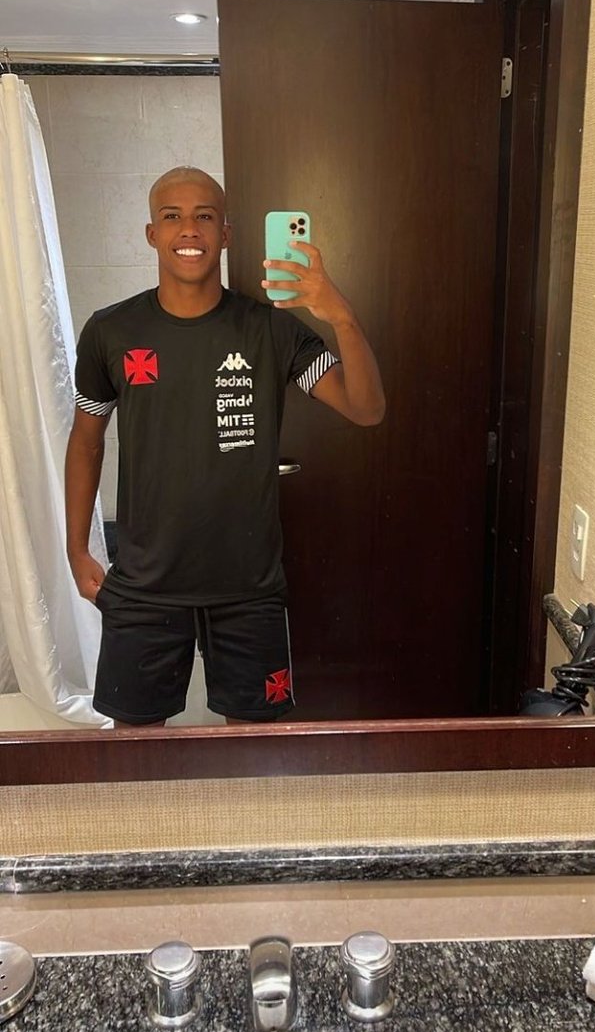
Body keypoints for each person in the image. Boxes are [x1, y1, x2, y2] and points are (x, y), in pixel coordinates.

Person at [65, 166, 385, 728]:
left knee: (253, 754)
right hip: (144, 585)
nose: (189, 229)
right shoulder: (111, 331)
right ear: (152, 233)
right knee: (135, 752)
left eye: (205, 216)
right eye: (172, 216)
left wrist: (341, 316)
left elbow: (366, 409)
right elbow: (87, 442)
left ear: (226, 234)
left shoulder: (272, 330)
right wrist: (77, 548)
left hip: (248, 588)